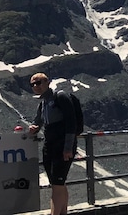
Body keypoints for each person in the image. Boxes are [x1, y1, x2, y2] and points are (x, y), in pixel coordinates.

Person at [28, 73, 77, 215]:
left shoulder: (60, 96)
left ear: (47, 82)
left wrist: (68, 148)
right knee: (58, 184)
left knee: (57, 184)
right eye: (32, 84)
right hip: (49, 146)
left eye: (38, 83)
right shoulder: (42, 103)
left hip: (62, 147)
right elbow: (37, 121)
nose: (35, 86)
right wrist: (34, 127)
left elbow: (71, 123)